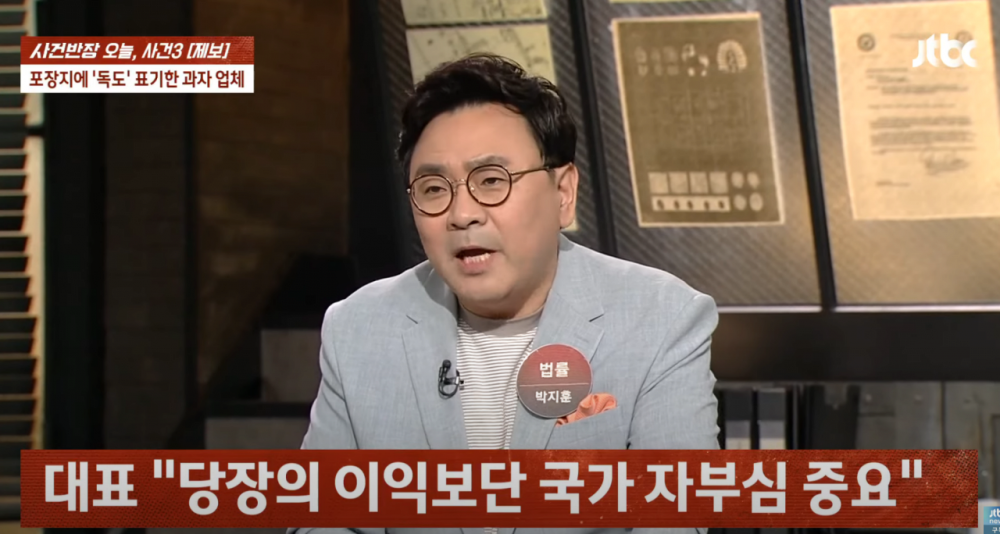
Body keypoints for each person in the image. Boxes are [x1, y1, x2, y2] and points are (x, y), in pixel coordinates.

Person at [294, 53, 719, 534]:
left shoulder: (661, 319)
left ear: (563, 192)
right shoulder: (359, 328)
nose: (462, 214)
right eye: (433, 189)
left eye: (492, 181)